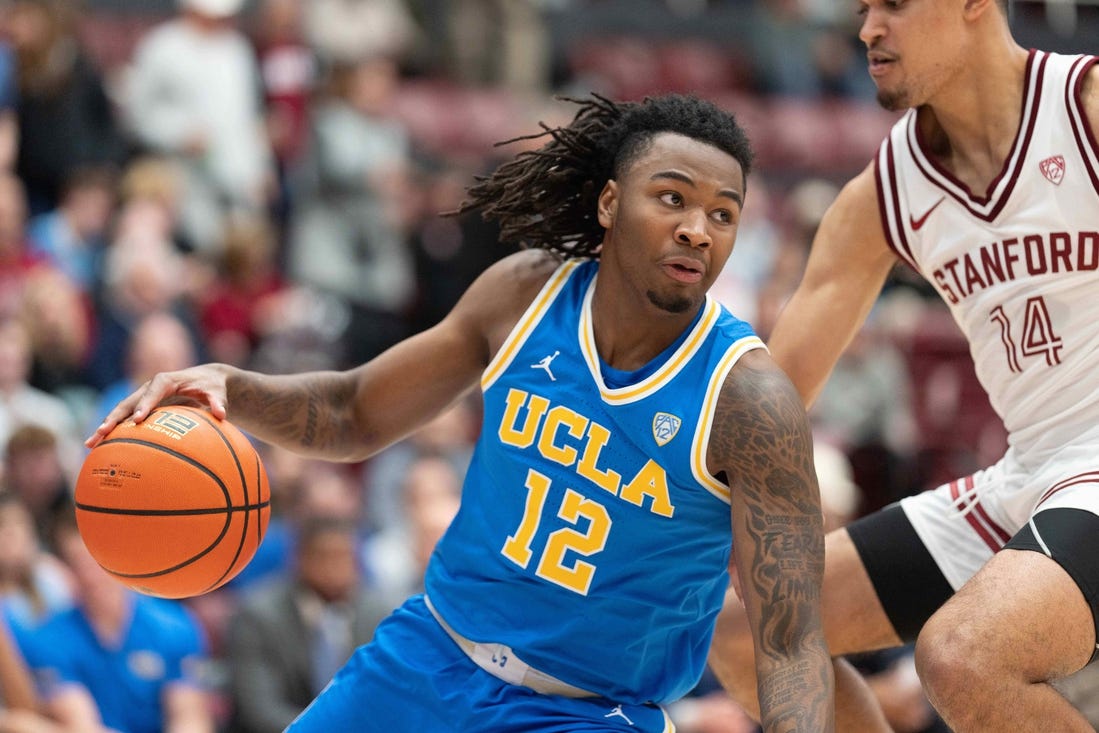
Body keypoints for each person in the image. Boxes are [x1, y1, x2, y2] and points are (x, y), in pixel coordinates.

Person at [88, 93, 835, 732]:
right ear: (610, 202)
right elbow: (355, 411)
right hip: (427, 658)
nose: (697, 230)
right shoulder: (524, 293)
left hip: (582, 710)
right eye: (671, 198)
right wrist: (233, 386)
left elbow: (789, 637)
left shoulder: (747, 399)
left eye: (722, 213)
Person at [707, 1, 1099, 731]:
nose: (866, 29)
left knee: (962, 655)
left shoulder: (1082, 107)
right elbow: (780, 384)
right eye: (860, 10)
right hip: (1029, 472)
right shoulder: (886, 190)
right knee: (748, 627)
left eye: (892, 4)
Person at [225, 515, 393, 733]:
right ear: (300, 558)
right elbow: (260, 710)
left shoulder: (379, 614)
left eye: (344, 557)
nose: (335, 568)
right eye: (325, 557)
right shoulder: (257, 616)